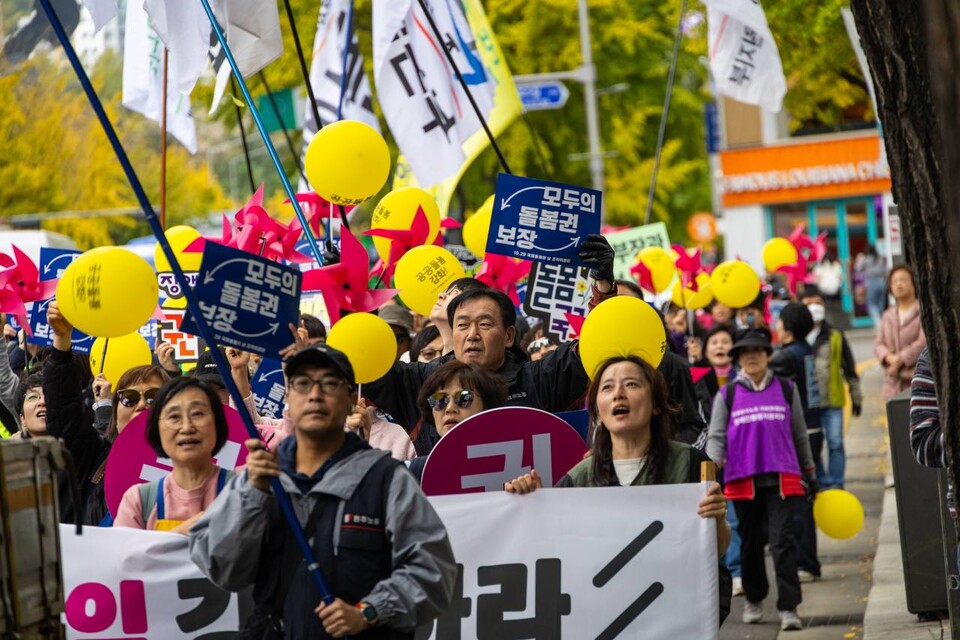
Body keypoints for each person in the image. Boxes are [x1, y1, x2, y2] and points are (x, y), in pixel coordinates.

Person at [189, 344, 457, 638]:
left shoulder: (386, 479)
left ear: (350, 399)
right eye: (303, 384)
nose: (315, 394)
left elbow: (433, 571)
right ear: (288, 398)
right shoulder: (260, 476)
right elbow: (217, 565)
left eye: (329, 384)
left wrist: (369, 611)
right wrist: (250, 495)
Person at [503, 355, 732, 624]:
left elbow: (713, 551)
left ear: (656, 404)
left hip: (673, 618)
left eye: (632, 384)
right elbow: (560, 558)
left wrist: (716, 518)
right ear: (598, 409)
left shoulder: (690, 463)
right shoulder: (577, 480)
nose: (618, 394)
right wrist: (536, 503)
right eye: (607, 387)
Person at [706, 328, 817, 631]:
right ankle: (754, 599)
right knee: (750, 544)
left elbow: (799, 434)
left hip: (783, 478)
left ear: (768, 355)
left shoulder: (786, 389)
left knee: (783, 543)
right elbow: (715, 440)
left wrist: (810, 472)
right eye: (744, 352)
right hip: (742, 480)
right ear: (739, 359)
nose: (751, 356)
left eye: (757, 350)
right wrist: (708, 475)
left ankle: (789, 607)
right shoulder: (727, 394)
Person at [43, 300, 171, 524]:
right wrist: (62, 341)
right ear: (114, 412)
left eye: (153, 397)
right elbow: (63, 411)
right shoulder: (93, 457)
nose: (141, 405)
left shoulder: (193, 465)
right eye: (129, 398)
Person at [114, 377, 231, 533]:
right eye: (174, 417)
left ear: (217, 423)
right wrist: (180, 534)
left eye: (197, 414)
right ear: (157, 429)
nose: (187, 427)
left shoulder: (246, 490)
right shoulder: (138, 501)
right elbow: (125, 556)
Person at [769, 303, 823, 584]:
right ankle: (809, 560)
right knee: (808, 494)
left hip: (797, 434)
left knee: (798, 500)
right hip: (815, 428)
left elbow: (781, 399)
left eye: (779, 321)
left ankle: (806, 562)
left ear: (787, 326)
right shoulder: (806, 351)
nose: (776, 326)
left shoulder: (784, 357)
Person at [801, 288, 863, 489]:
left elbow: (849, 368)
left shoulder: (835, 335)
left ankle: (836, 485)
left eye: (817, 302)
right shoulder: (797, 337)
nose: (813, 307)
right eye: (808, 303)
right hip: (808, 405)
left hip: (833, 400)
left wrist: (856, 397)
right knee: (813, 447)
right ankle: (821, 484)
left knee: (835, 444)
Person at [408, 360, 508, 479]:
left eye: (463, 398)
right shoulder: (415, 472)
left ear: (486, 406)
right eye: (439, 400)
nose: (450, 408)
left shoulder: (512, 466)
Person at [874, 264, 926, 401]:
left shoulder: (922, 311)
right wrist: (888, 357)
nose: (898, 284)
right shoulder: (888, 314)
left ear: (913, 282)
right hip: (892, 385)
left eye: (903, 280)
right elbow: (878, 344)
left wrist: (901, 359)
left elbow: (922, 342)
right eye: (894, 281)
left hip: (917, 382)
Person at [860, 245, 888, 325]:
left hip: (872, 282)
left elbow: (859, 267)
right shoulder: (880, 259)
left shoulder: (867, 259)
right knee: (881, 305)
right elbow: (885, 271)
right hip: (881, 282)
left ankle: (878, 323)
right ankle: (883, 322)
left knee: (872, 305)